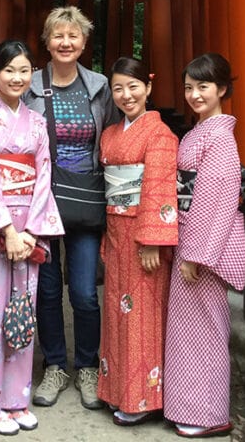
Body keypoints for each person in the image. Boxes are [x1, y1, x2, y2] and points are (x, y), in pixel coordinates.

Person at [0, 39, 64, 435]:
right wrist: (6, 230)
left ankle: (16, 398)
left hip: (27, 227)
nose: (17, 78)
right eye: (9, 71)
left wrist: (31, 231)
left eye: (24, 71)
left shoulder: (36, 122)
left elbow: (43, 176)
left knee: (21, 311)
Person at [23, 6, 119, 410]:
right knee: (46, 290)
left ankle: (86, 366)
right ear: (46, 41)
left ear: (83, 42)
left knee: (83, 291)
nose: (65, 43)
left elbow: (114, 140)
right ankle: (55, 365)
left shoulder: (98, 87)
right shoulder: (29, 85)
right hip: (40, 201)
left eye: (73, 36)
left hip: (86, 200)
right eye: (58, 36)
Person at [163, 53, 245, 438]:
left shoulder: (219, 137)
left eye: (203, 87)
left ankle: (209, 413)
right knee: (189, 328)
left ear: (222, 90)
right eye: (189, 87)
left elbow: (215, 199)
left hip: (201, 248)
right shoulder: (201, 131)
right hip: (188, 238)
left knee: (206, 329)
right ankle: (191, 407)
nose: (194, 95)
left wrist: (197, 254)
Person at [97, 56, 179, 426]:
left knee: (142, 314)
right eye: (118, 88)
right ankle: (116, 391)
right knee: (116, 311)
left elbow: (158, 188)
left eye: (133, 87)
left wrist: (152, 241)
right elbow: (108, 191)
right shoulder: (110, 135)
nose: (126, 95)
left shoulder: (160, 135)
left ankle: (142, 398)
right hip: (116, 231)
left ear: (148, 87)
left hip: (142, 236)